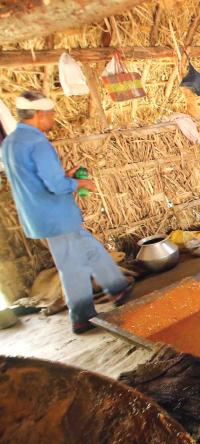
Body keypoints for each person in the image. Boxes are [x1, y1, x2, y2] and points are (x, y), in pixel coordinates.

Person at [1, 91, 132, 334]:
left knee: (90, 248)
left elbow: (32, 180)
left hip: (38, 214)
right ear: (39, 115)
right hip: (56, 216)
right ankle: (81, 316)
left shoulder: (10, 143)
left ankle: (117, 286)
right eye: (50, 115)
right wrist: (78, 183)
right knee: (72, 266)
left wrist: (65, 178)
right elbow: (56, 186)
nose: (52, 120)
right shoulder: (38, 144)